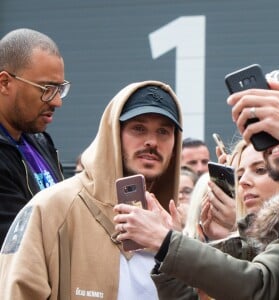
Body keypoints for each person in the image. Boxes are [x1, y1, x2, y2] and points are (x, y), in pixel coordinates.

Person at [113, 78, 279, 299]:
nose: (244, 182)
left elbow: (256, 286)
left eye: (259, 170)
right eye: (238, 174)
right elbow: (258, 284)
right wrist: (168, 247)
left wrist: (167, 242)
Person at [0, 80, 183, 300]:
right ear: (113, 135)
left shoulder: (175, 227)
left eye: (163, 131)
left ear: (175, 145)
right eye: (138, 128)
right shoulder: (53, 208)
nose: (151, 141)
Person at [0, 28, 70, 247]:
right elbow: (20, 244)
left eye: (59, 89)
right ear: (4, 83)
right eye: (47, 89)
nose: (57, 101)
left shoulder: (39, 141)